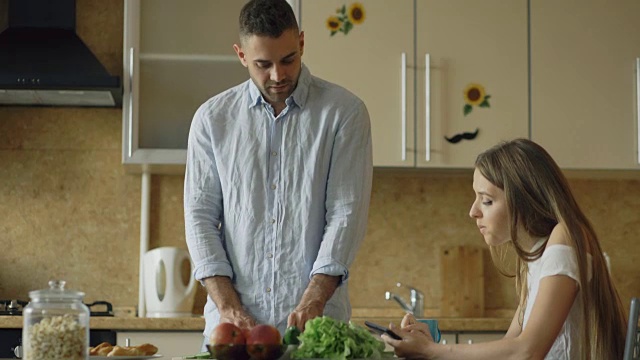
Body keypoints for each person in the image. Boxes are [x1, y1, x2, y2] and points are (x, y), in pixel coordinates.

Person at [183, 0, 373, 349]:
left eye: (288, 60)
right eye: (262, 64)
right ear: (241, 55)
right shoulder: (212, 120)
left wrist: (314, 298)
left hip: (316, 329)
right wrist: (228, 308)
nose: (278, 75)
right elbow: (200, 218)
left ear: (301, 43)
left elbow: (346, 214)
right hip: (231, 330)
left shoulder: (344, 113)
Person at [383, 139, 627, 359]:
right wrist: (432, 345)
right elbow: (510, 347)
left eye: (486, 200)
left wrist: (433, 351)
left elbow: (528, 351)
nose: (473, 211)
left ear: (525, 199)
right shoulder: (535, 259)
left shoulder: (565, 238)